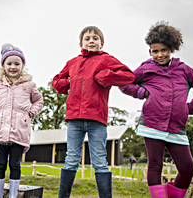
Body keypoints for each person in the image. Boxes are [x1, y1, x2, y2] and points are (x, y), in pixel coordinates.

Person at [119, 21, 193, 198]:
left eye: (164, 50)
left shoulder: (184, 70)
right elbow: (124, 82)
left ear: (171, 49)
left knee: (187, 169)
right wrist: (141, 92)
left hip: (177, 125)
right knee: (156, 165)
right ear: (150, 52)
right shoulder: (145, 69)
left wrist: (190, 108)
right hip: (152, 123)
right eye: (155, 51)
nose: (160, 54)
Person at [52, 26, 135, 198]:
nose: (91, 40)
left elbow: (128, 75)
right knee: (71, 159)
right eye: (87, 38)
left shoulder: (106, 59)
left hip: (97, 119)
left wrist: (105, 77)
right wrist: (67, 83)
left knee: (99, 160)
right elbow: (57, 81)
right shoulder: (73, 62)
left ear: (101, 43)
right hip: (74, 118)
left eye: (95, 38)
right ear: (81, 43)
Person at [0, 43, 43, 198]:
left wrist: (32, 112)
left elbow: (38, 100)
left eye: (17, 63)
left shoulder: (29, 85)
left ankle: (13, 195)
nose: (13, 67)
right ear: (3, 65)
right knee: (0, 164)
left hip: (19, 131)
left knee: (15, 164)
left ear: (22, 65)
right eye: (9, 63)